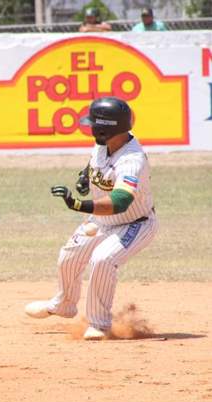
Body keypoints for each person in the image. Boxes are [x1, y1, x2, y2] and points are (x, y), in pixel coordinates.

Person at [24, 97, 158, 341]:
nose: (90, 129)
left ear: (105, 130)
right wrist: (85, 177)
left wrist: (78, 204)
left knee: (103, 259)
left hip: (134, 224)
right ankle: (64, 304)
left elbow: (120, 202)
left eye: (93, 126)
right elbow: (94, 162)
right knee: (69, 255)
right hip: (101, 220)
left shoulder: (132, 160)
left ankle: (99, 323)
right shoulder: (104, 143)